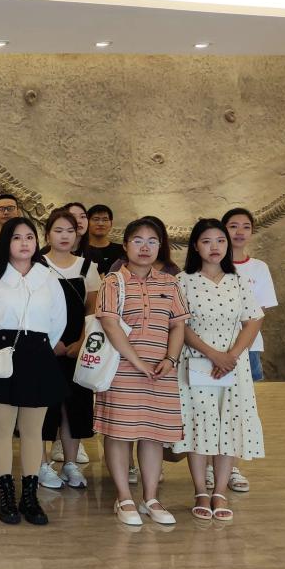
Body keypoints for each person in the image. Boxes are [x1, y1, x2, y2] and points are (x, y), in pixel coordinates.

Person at [0, 218, 67, 526]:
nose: (25, 243)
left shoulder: (48, 278)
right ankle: (6, 493)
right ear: (6, 242)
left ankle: (30, 495)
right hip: (0, 357)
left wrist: (37, 348)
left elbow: (58, 321)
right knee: (1, 429)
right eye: (17, 237)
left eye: (30, 237)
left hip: (38, 356)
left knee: (33, 431)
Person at [94, 217, 189, 526]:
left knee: (153, 435)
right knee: (119, 434)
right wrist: (136, 361)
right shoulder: (112, 282)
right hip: (122, 370)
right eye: (137, 240)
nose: (145, 247)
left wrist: (170, 359)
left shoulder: (170, 283)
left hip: (161, 371)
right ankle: (124, 497)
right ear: (125, 246)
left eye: (152, 241)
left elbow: (178, 325)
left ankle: (151, 498)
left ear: (160, 246)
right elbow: (110, 324)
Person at [173, 219, 264, 521]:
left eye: (220, 240)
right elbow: (180, 325)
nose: (215, 247)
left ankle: (220, 491)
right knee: (199, 423)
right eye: (207, 241)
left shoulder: (238, 280)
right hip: (196, 361)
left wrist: (231, 356)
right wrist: (212, 354)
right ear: (195, 246)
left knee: (230, 422)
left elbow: (253, 320)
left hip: (233, 365)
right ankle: (201, 490)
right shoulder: (183, 281)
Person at [40, 210, 101, 489]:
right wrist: (49, 342)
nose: (64, 236)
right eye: (58, 230)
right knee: (43, 407)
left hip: (78, 346)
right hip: (44, 347)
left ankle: (70, 464)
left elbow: (93, 310)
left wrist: (81, 342)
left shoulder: (88, 267)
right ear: (47, 235)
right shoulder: (37, 265)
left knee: (73, 406)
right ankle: (42, 464)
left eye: (70, 231)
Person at [221, 206, 277, 493]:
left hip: (248, 347)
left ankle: (231, 467)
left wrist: (237, 347)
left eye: (245, 226)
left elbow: (259, 312)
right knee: (213, 407)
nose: (239, 232)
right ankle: (210, 467)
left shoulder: (259, 268)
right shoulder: (211, 263)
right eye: (233, 226)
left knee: (238, 408)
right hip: (212, 347)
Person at [84, 204, 126, 275]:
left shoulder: (122, 251)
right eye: (96, 219)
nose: (101, 223)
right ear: (87, 223)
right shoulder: (81, 250)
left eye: (105, 220)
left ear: (111, 224)